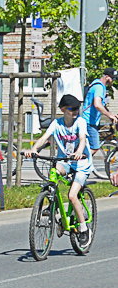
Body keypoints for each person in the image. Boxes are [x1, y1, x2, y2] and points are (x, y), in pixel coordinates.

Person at [25, 93, 91, 237]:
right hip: (65, 161)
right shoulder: (56, 123)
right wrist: (34, 149)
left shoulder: (80, 122)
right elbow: (44, 137)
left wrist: (79, 151)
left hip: (81, 163)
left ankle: (84, 228)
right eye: (71, 109)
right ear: (62, 109)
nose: (74, 112)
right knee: (54, 171)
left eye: (76, 109)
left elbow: (82, 139)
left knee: (72, 196)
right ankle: (52, 203)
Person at [83, 68, 115, 177]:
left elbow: (102, 104)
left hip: (88, 120)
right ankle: (78, 164)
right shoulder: (99, 87)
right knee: (95, 146)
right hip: (89, 121)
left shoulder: (96, 85)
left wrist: (111, 113)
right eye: (112, 78)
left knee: (86, 146)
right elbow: (97, 104)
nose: (113, 81)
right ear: (106, 77)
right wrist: (108, 115)